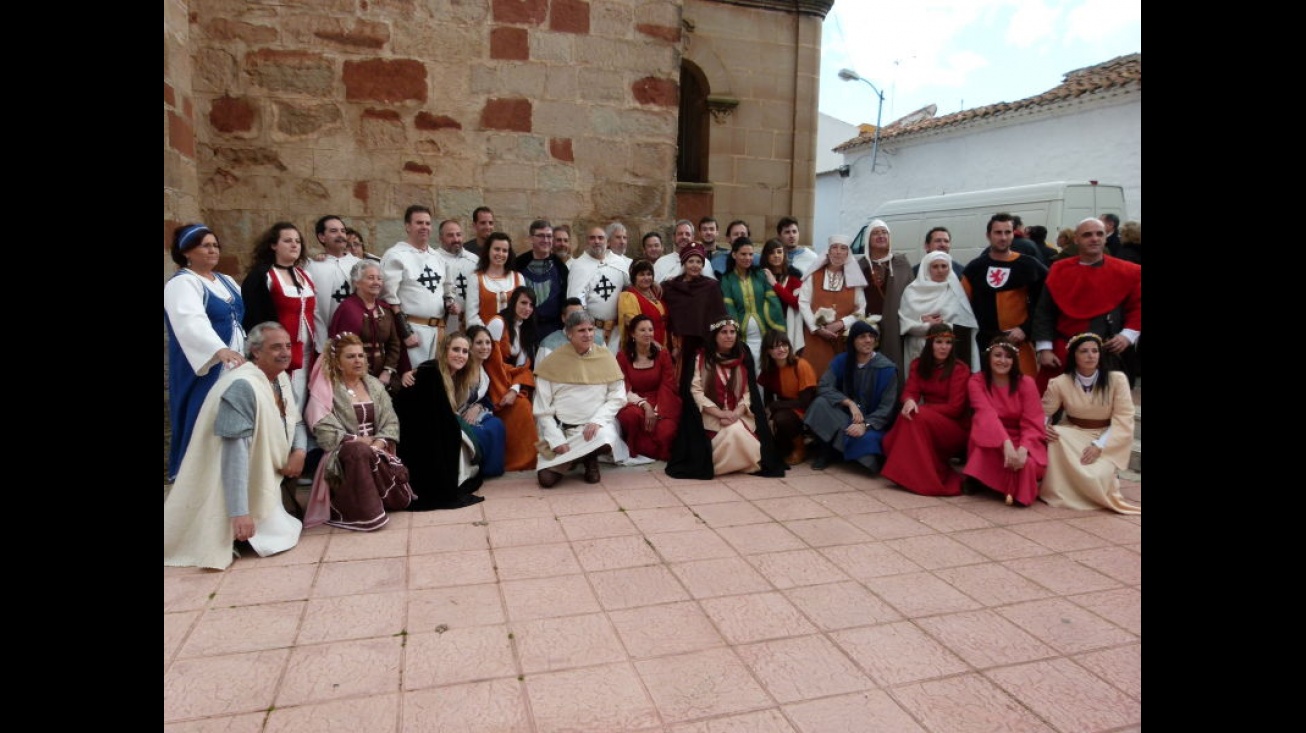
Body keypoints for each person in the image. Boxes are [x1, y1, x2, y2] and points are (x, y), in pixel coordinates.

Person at [164, 323, 306, 570]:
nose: (284, 352)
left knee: (287, 530)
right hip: (231, 480)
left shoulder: (280, 379)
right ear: (255, 352)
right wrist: (239, 513)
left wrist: (300, 451)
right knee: (275, 538)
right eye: (275, 347)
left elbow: (297, 421)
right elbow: (234, 453)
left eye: (287, 346)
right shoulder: (242, 386)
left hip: (268, 473)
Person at [302, 333, 414, 531]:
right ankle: (362, 514)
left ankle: (381, 500)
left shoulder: (374, 385)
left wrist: (378, 445)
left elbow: (391, 421)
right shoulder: (327, 388)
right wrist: (360, 441)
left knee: (368, 454)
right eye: (350, 356)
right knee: (358, 452)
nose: (358, 361)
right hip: (342, 455)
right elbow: (323, 429)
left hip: (378, 450)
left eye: (361, 355)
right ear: (336, 361)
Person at [164, 223, 247, 482]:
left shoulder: (227, 281)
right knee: (204, 419)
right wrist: (218, 349)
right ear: (187, 252)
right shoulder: (182, 283)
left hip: (235, 363)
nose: (213, 250)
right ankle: (198, 483)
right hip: (205, 365)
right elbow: (190, 321)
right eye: (205, 245)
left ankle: (232, 480)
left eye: (215, 245)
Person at [1032, 216, 1142, 391]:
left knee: (1107, 409)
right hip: (1064, 352)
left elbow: (1137, 307)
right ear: (1076, 239)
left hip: (1108, 352)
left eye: (1100, 234)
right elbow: (1045, 311)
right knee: (1050, 406)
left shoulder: (1128, 271)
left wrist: (1127, 336)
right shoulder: (1059, 269)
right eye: (1087, 235)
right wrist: (1044, 348)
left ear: (1106, 237)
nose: (1095, 238)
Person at [1040, 332, 1139, 514]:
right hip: (1073, 432)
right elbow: (1044, 412)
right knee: (1055, 434)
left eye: (1095, 351)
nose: (1090, 355)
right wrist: (1043, 427)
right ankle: (1061, 491)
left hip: (1106, 437)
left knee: (1096, 477)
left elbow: (1123, 418)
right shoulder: (1060, 382)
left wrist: (1099, 445)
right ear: (1074, 356)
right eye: (1084, 351)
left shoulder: (1117, 380)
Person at [533, 311, 628, 488]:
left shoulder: (605, 357)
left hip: (595, 430)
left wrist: (598, 421)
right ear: (569, 333)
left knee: (607, 439)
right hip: (563, 431)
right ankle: (580, 457)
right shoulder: (552, 362)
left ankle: (590, 459)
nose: (588, 334)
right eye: (581, 330)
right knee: (546, 480)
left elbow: (618, 396)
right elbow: (542, 410)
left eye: (591, 329)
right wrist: (556, 440)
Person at [391, 340, 486, 511]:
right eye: (456, 349)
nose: (460, 355)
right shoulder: (430, 372)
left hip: (426, 431)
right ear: (444, 351)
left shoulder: (454, 376)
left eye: (464, 351)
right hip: (412, 438)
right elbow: (427, 419)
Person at [880, 324, 972, 496]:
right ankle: (907, 474)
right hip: (927, 421)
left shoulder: (960, 369)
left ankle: (921, 479)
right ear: (929, 343)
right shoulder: (918, 365)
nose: (944, 347)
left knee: (916, 416)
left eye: (948, 343)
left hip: (954, 427)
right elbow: (910, 391)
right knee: (908, 414)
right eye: (939, 342)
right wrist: (908, 401)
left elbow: (955, 408)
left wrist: (921, 408)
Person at [241, 221, 317, 412]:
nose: (294, 245)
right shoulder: (262, 276)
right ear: (273, 245)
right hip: (278, 352)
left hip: (308, 351)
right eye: (287, 241)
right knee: (281, 402)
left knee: (304, 401)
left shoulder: (304, 275)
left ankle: (300, 441)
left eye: (298, 241)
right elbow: (254, 318)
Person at [803, 319, 898, 473]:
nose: (868, 340)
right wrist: (849, 403)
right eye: (862, 337)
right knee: (820, 403)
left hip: (872, 423)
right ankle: (826, 451)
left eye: (871, 336)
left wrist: (864, 425)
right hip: (845, 416)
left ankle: (841, 450)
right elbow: (824, 386)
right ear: (852, 341)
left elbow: (887, 408)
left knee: (868, 442)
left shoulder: (887, 368)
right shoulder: (842, 361)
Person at [960, 213, 1047, 379]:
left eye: (1007, 232)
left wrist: (1025, 329)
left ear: (1014, 234)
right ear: (988, 235)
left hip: (1018, 342)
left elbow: (1044, 303)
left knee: (1023, 388)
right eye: (998, 232)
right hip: (985, 344)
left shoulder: (1029, 265)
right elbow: (962, 306)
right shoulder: (975, 268)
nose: (1003, 237)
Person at [963, 337, 1047, 507]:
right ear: (989, 357)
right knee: (985, 449)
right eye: (998, 355)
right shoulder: (977, 381)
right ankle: (982, 479)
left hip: (1022, 437)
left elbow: (1033, 420)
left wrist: (1024, 448)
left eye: (1008, 356)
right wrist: (1006, 443)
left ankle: (1011, 488)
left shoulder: (1027, 383)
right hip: (990, 436)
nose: (1003, 360)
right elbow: (986, 415)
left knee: (1028, 464)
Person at [381, 205, 453, 369]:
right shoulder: (396, 256)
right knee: (413, 381)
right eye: (419, 223)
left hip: (438, 331)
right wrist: (405, 332)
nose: (424, 227)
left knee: (435, 381)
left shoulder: (438, 258)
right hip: (413, 331)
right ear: (407, 226)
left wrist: (450, 302)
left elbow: (448, 290)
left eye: (427, 223)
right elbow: (388, 298)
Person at [328, 259, 407, 393]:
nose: (376, 282)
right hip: (354, 376)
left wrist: (387, 371)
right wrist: (363, 377)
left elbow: (394, 344)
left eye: (379, 278)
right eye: (371, 278)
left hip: (384, 377)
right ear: (356, 282)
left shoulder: (385, 309)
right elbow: (344, 350)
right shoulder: (348, 310)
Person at [661, 243, 729, 394]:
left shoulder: (711, 287)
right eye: (691, 261)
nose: (695, 265)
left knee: (698, 384)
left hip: (702, 343)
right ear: (684, 263)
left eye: (699, 262)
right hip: (678, 344)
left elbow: (719, 315)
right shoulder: (670, 287)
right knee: (678, 383)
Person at [797, 233, 867, 379]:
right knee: (813, 377)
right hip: (815, 339)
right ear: (828, 252)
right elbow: (803, 302)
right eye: (834, 247)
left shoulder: (854, 280)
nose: (838, 252)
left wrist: (841, 323)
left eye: (843, 248)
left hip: (841, 340)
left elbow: (861, 309)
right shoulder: (814, 276)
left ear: (848, 253)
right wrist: (816, 328)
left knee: (839, 379)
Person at [898, 250, 980, 372]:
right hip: (919, 350)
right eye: (935, 266)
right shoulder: (912, 292)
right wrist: (926, 324)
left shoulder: (955, 292)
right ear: (926, 268)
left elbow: (965, 324)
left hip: (949, 351)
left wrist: (941, 326)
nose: (940, 270)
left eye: (944, 266)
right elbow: (905, 324)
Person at [615, 314, 681, 461]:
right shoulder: (623, 357)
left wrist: (657, 411)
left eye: (650, 330)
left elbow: (668, 384)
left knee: (666, 431)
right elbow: (622, 387)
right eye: (642, 330)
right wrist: (644, 405)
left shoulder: (663, 354)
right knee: (631, 416)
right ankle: (634, 445)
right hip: (635, 401)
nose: (648, 334)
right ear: (632, 333)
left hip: (661, 400)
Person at [857, 219, 912, 386]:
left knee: (892, 362)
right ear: (868, 239)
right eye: (875, 233)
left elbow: (911, 294)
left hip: (894, 323)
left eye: (884, 232)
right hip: (867, 323)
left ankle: (894, 401)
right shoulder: (860, 265)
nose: (880, 236)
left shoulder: (901, 263)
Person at [720, 236, 785, 366]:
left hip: (764, 334)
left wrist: (776, 331)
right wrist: (735, 332)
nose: (748, 258)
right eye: (743, 254)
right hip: (742, 338)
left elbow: (773, 303)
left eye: (750, 254)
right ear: (734, 254)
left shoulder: (761, 275)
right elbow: (729, 309)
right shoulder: (726, 279)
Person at [757, 329, 817, 466]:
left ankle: (800, 448)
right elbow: (768, 397)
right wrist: (768, 415)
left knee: (781, 418)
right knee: (777, 447)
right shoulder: (768, 369)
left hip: (806, 408)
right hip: (787, 407)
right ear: (768, 351)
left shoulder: (801, 365)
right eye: (776, 346)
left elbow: (805, 402)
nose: (782, 349)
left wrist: (775, 407)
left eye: (785, 345)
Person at [305, 214, 359, 354]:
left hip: (359, 337)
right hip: (326, 337)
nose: (340, 235)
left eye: (343, 231)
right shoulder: (313, 267)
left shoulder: (358, 264)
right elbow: (313, 309)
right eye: (334, 231)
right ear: (322, 237)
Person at [568, 226, 631, 345]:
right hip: (592, 330)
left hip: (617, 330)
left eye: (600, 238)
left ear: (607, 242)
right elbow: (575, 302)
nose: (597, 241)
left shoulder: (618, 262)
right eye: (592, 238)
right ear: (586, 242)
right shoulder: (579, 266)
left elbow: (631, 288)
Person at [514, 219, 570, 342]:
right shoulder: (518, 265)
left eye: (549, 236)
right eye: (540, 236)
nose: (545, 240)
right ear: (531, 238)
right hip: (524, 329)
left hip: (554, 330)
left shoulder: (560, 267)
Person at [465, 231, 527, 330]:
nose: (500, 254)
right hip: (485, 340)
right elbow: (472, 317)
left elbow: (523, 311)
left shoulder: (518, 278)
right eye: (497, 249)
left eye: (505, 250)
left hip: (513, 337)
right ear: (488, 250)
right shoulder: (476, 279)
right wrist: (489, 334)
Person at [760, 237, 805, 355]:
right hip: (764, 327)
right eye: (772, 252)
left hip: (788, 326)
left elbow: (797, 303)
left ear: (784, 254)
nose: (776, 255)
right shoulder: (760, 274)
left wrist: (775, 284)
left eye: (779, 252)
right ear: (766, 256)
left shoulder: (794, 274)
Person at [434, 219, 478, 334]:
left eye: (458, 234)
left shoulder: (474, 260)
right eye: (450, 235)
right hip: (443, 321)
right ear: (440, 238)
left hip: (470, 321)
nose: (456, 239)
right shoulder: (433, 259)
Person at [616, 258, 670, 350]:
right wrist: (653, 345)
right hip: (645, 348)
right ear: (634, 277)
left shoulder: (656, 292)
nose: (646, 278)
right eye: (641, 275)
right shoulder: (628, 296)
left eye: (649, 274)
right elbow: (633, 324)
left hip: (664, 345)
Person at [536, 297, 605, 365]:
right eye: (573, 315)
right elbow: (541, 374)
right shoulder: (549, 344)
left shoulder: (599, 342)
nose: (578, 318)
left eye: (580, 314)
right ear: (563, 318)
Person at [486, 285, 541, 369]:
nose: (528, 308)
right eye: (524, 303)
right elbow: (491, 360)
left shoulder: (526, 328)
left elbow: (521, 365)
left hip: (512, 375)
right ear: (513, 302)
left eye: (531, 305)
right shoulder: (498, 323)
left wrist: (516, 381)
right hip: (494, 374)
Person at [654, 219, 717, 284]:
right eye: (680, 234)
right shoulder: (661, 262)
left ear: (693, 238)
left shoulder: (704, 262)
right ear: (673, 237)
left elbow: (711, 286)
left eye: (687, 234)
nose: (684, 237)